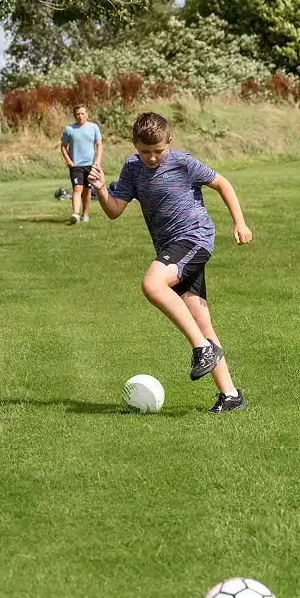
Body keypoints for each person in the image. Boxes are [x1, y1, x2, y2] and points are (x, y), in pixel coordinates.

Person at [88, 111, 252, 413]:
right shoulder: (132, 168)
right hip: (170, 246)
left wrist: (239, 223)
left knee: (152, 283)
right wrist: (100, 189)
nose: (151, 157)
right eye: (145, 151)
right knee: (200, 321)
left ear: (169, 142)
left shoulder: (183, 162)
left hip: (195, 238)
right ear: (135, 144)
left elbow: (223, 184)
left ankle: (201, 349)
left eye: (158, 151)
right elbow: (114, 210)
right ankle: (230, 396)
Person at [60, 103, 102, 225]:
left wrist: (97, 161)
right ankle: (76, 214)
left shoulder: (94, 127)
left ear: (86, 114)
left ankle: (85, 215)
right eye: (77, 114)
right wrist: (68, 161)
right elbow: (63, 147)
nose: (80, 116)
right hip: (76, 165)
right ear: (74, 116)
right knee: (77, 188)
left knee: (87, 190)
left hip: (91, 165)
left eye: (82, 113)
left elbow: (99, 144)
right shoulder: (69, 130)